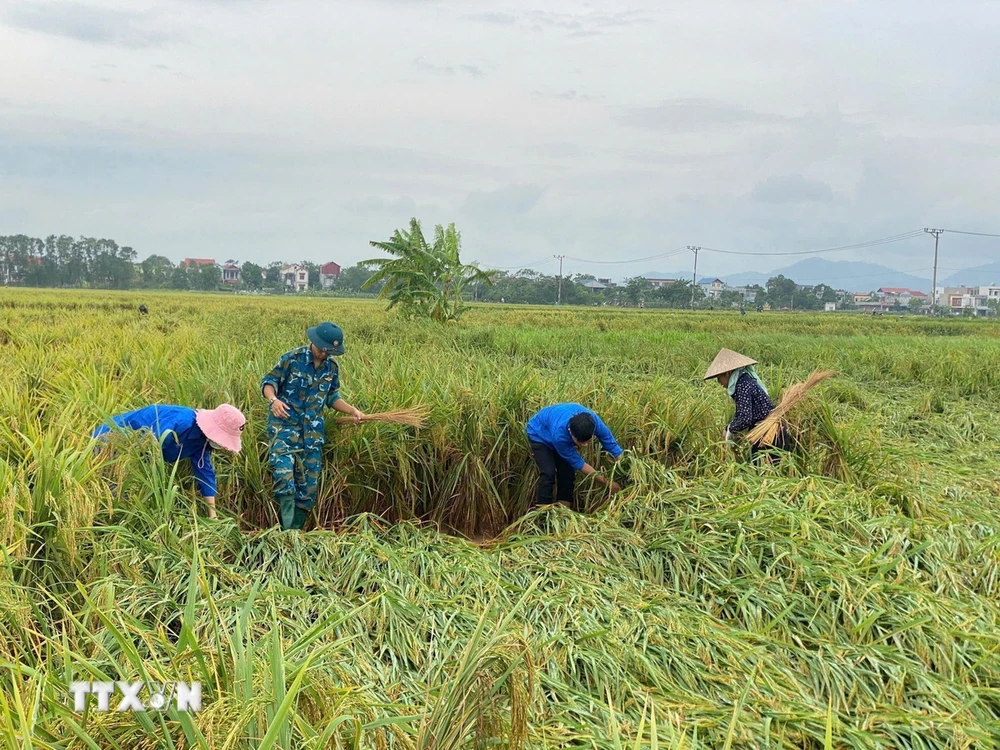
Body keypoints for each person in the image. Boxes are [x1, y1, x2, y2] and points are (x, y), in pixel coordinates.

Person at [261, 322, 364, 530]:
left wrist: (352, 410)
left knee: (308, 490)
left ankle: (295, 534)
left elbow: (332, 396)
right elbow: (268, 382)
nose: (325, 355)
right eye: (324, 350)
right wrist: (274, 401)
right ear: (315, 343)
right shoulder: (292, 358)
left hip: (312, 436)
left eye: (330, 352)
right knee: (284, 479)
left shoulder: (331, 368)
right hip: (284, 429)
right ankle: (285, 533)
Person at [92, 403, 246, 518]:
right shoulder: (182, 423)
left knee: (127, 500)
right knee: (115, 497)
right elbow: (146, 449)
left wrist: (213, 516)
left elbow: (205, 474)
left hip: (134, 453)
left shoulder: (202, 441)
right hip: (112, 440)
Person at [525, 403, 623, 511]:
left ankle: (564, 514)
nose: (585, 445)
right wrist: (607, 483)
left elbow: (612, 445)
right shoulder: (560, 436)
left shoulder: (593, 422)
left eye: (588, 441)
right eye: (581, 442)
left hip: (556, 426)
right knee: (548, 473)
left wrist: (627, 466)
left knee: (567, 474)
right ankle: (541, 514)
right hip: (540, 435)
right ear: (571, 433)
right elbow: (579, 464)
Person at [703, 348, 786, 463]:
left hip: (768, 433)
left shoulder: (742, 385)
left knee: (761, 470)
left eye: (719, 378)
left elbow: (744, 418)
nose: (719, 382)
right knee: (765, 470)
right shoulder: (745, 380)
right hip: (768, 430)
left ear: (727, 373)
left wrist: (729, 430)